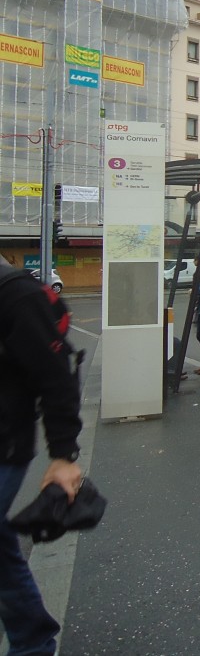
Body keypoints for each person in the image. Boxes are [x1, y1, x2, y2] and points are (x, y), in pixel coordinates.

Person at [0, 254, 83, 654]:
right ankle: (32, 640)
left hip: (4, 445)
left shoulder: (15, 294)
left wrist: (64, 455)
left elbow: (56, 376)